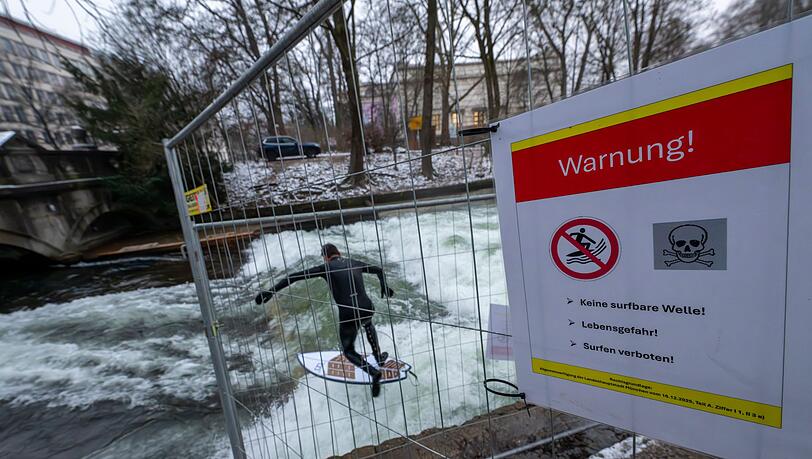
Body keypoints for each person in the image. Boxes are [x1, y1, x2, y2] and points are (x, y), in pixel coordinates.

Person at [255, 243, 394, 397]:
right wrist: (384, 287)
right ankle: (378, 357)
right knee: (368, 323)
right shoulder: (354, 262)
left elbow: (293, 277)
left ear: (326, 257)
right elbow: (379, 270)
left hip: (349, 312)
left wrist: (270, 291)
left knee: (348, 351)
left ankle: (374, 373)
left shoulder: (325, 268)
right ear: (339, 253)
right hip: (367, 306)